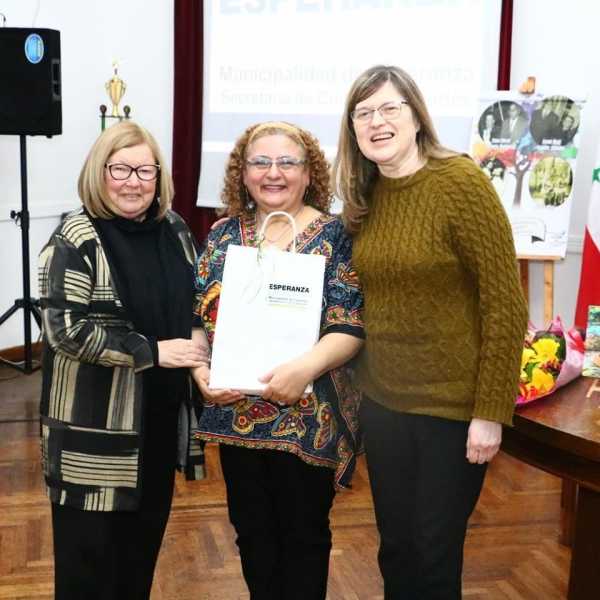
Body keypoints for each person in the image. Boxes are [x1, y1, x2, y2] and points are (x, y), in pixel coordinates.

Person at [331, 65, 528, 600]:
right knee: (396, 549)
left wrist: (490, 411)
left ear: (416, 116)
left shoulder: (460, 183)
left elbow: (504, 304)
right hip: (384, 406)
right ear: (353, 128)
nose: (377, 121)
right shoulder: (364, 196)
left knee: (434, 554)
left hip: (452, 410)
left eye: (389, 108)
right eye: (363, 113)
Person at [191, 121, 364, 600]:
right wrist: (200, 371)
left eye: (287, 162)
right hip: (235, 414)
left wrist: (302, 370)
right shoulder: (224, 235)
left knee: (304, 538)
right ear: (242, 173)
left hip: (308, 418)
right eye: (260, 162)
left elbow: (350, 324)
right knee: (252, 536)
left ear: (309, 173)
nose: (273, 173)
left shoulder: (338, 235)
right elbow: (197, 317)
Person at [38, 121, 206, 599]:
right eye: (121, 169)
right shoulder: (74, 238)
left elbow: (195, 303)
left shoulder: (174, 229)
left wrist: (200, 341)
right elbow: (65, 331)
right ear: (99, 172)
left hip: (156, 426)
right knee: (87, 576)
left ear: (159, 176)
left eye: (145, 170)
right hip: (92, 439)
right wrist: (152, 351)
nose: (134, 182)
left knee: (138, 564)